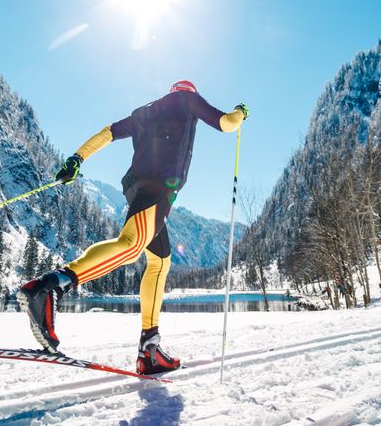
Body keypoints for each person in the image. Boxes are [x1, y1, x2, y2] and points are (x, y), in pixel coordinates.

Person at [17, 80, 249, 374]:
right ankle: (49, 287)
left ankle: (149, 349)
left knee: (160, 261)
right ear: (187, 91)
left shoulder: (146, 111)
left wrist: (77, 158)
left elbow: (108, 133)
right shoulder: (188, 100)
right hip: (159, 186)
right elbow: (227, 124)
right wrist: (241, 112)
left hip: (136, 186)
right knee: (132, 244)